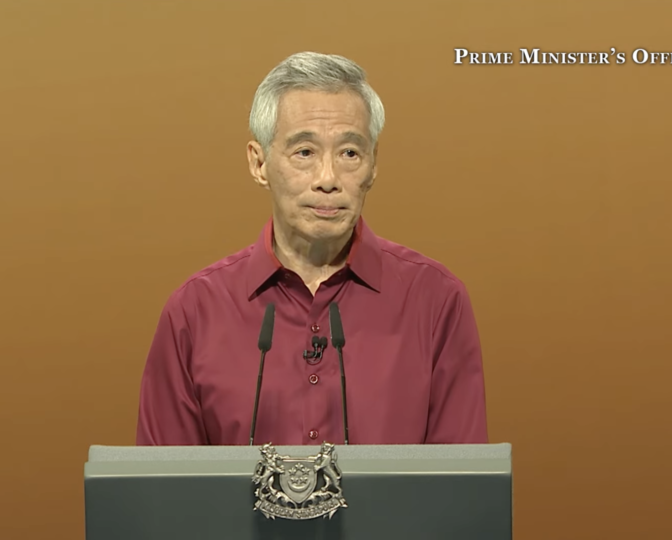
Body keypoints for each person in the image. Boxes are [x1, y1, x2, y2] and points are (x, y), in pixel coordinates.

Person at [136, 52, 487, 446]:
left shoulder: (435, 301)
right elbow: (165, 495)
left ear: (373, 165)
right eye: (305, 152)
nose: (328, 179)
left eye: (349, 153)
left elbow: (460, 491)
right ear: (259, 164)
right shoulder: (194, 312)